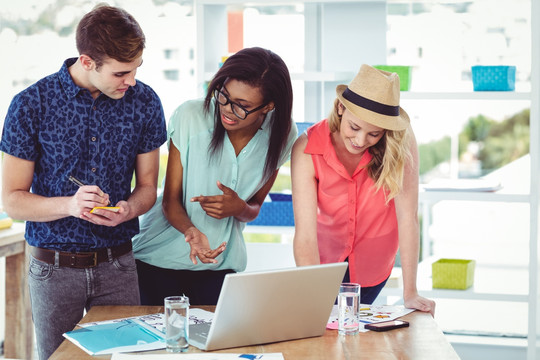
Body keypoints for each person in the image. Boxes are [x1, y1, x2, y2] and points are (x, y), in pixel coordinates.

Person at [0, 5, 167, 359]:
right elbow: (12, 200)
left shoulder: (146, 102)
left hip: (119, 265)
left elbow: (148, 187)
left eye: (136, 70)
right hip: (52, 270)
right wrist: (70, 205)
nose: (132, 81)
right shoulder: (30, 105)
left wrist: (128, 209)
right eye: (122, 73)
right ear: (88, 61)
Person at [132, 47, 297, 305]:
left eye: (243, 106)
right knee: (158, 344)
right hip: (156, 260)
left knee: (220, 343)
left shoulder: (282, 134)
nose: (228, 110)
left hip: (220, 264)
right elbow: (170, 200)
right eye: (224, 96)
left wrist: (238, 207)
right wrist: (191, 231)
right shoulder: (191, 116)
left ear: (269, 106)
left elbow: (253, 209)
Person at [291, 64, 435, 315]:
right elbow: (304, 235)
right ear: (340, 107)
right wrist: (311, 296)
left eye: (374, 134)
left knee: (356, 340)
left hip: (373, 266)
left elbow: (407, 217)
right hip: (322, 264)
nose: (360, 141)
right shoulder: (307, 148)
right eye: (354, 128)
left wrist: (410, 292)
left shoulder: (401, 142)